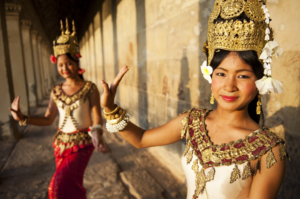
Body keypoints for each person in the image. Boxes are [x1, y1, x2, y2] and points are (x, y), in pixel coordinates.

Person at [100, 0, 288, 198]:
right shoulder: (192, 122)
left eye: (242, 76)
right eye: (221, 74)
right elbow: (141, 139)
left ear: (260, 80)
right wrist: (111, 109)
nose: (229, 86)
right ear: (210, 76)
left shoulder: (269, 150)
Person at [9, 19, 108, 199]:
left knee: (57, 186)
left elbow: (96, 116)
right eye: (60, 65)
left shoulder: (89, 88)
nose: (65, 68)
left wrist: (97, 132)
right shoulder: (56, 90)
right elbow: (48, 119)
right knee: (71, 188)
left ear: (77, 62)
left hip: (81, 145)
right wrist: (22, 117)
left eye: (69, 63)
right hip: (60, 145)